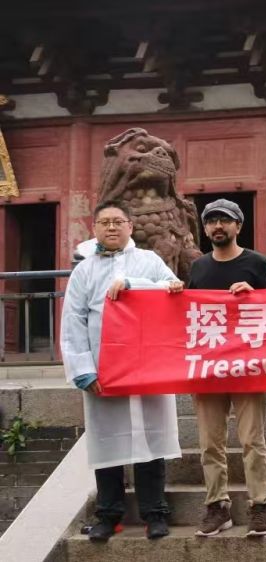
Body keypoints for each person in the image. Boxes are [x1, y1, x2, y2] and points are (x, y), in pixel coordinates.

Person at [61, 201, 184, 541]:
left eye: (118, 221)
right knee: (107, 442)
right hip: (105, 369)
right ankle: (108, 514)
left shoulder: (149, 261)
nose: (112, 227)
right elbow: (73, 321)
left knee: (151, 439)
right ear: (95, 228)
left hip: (146, 368)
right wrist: (84, 370)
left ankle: (154, 512)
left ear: (130, 226)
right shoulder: (84, 270)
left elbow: (173, 291)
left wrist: (132, 283)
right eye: (105, 222)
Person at [187, 198, 266, 537]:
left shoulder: (258, 264)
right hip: (208, 366)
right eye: (211, 221)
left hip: (247, 365)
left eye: (225, 220)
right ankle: (217, 506)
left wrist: (255, 295)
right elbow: (187, 315)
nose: (218, 226)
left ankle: (260, 505)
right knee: (210, 443)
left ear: (239, 226)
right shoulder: (198, 267)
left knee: (253, 440)